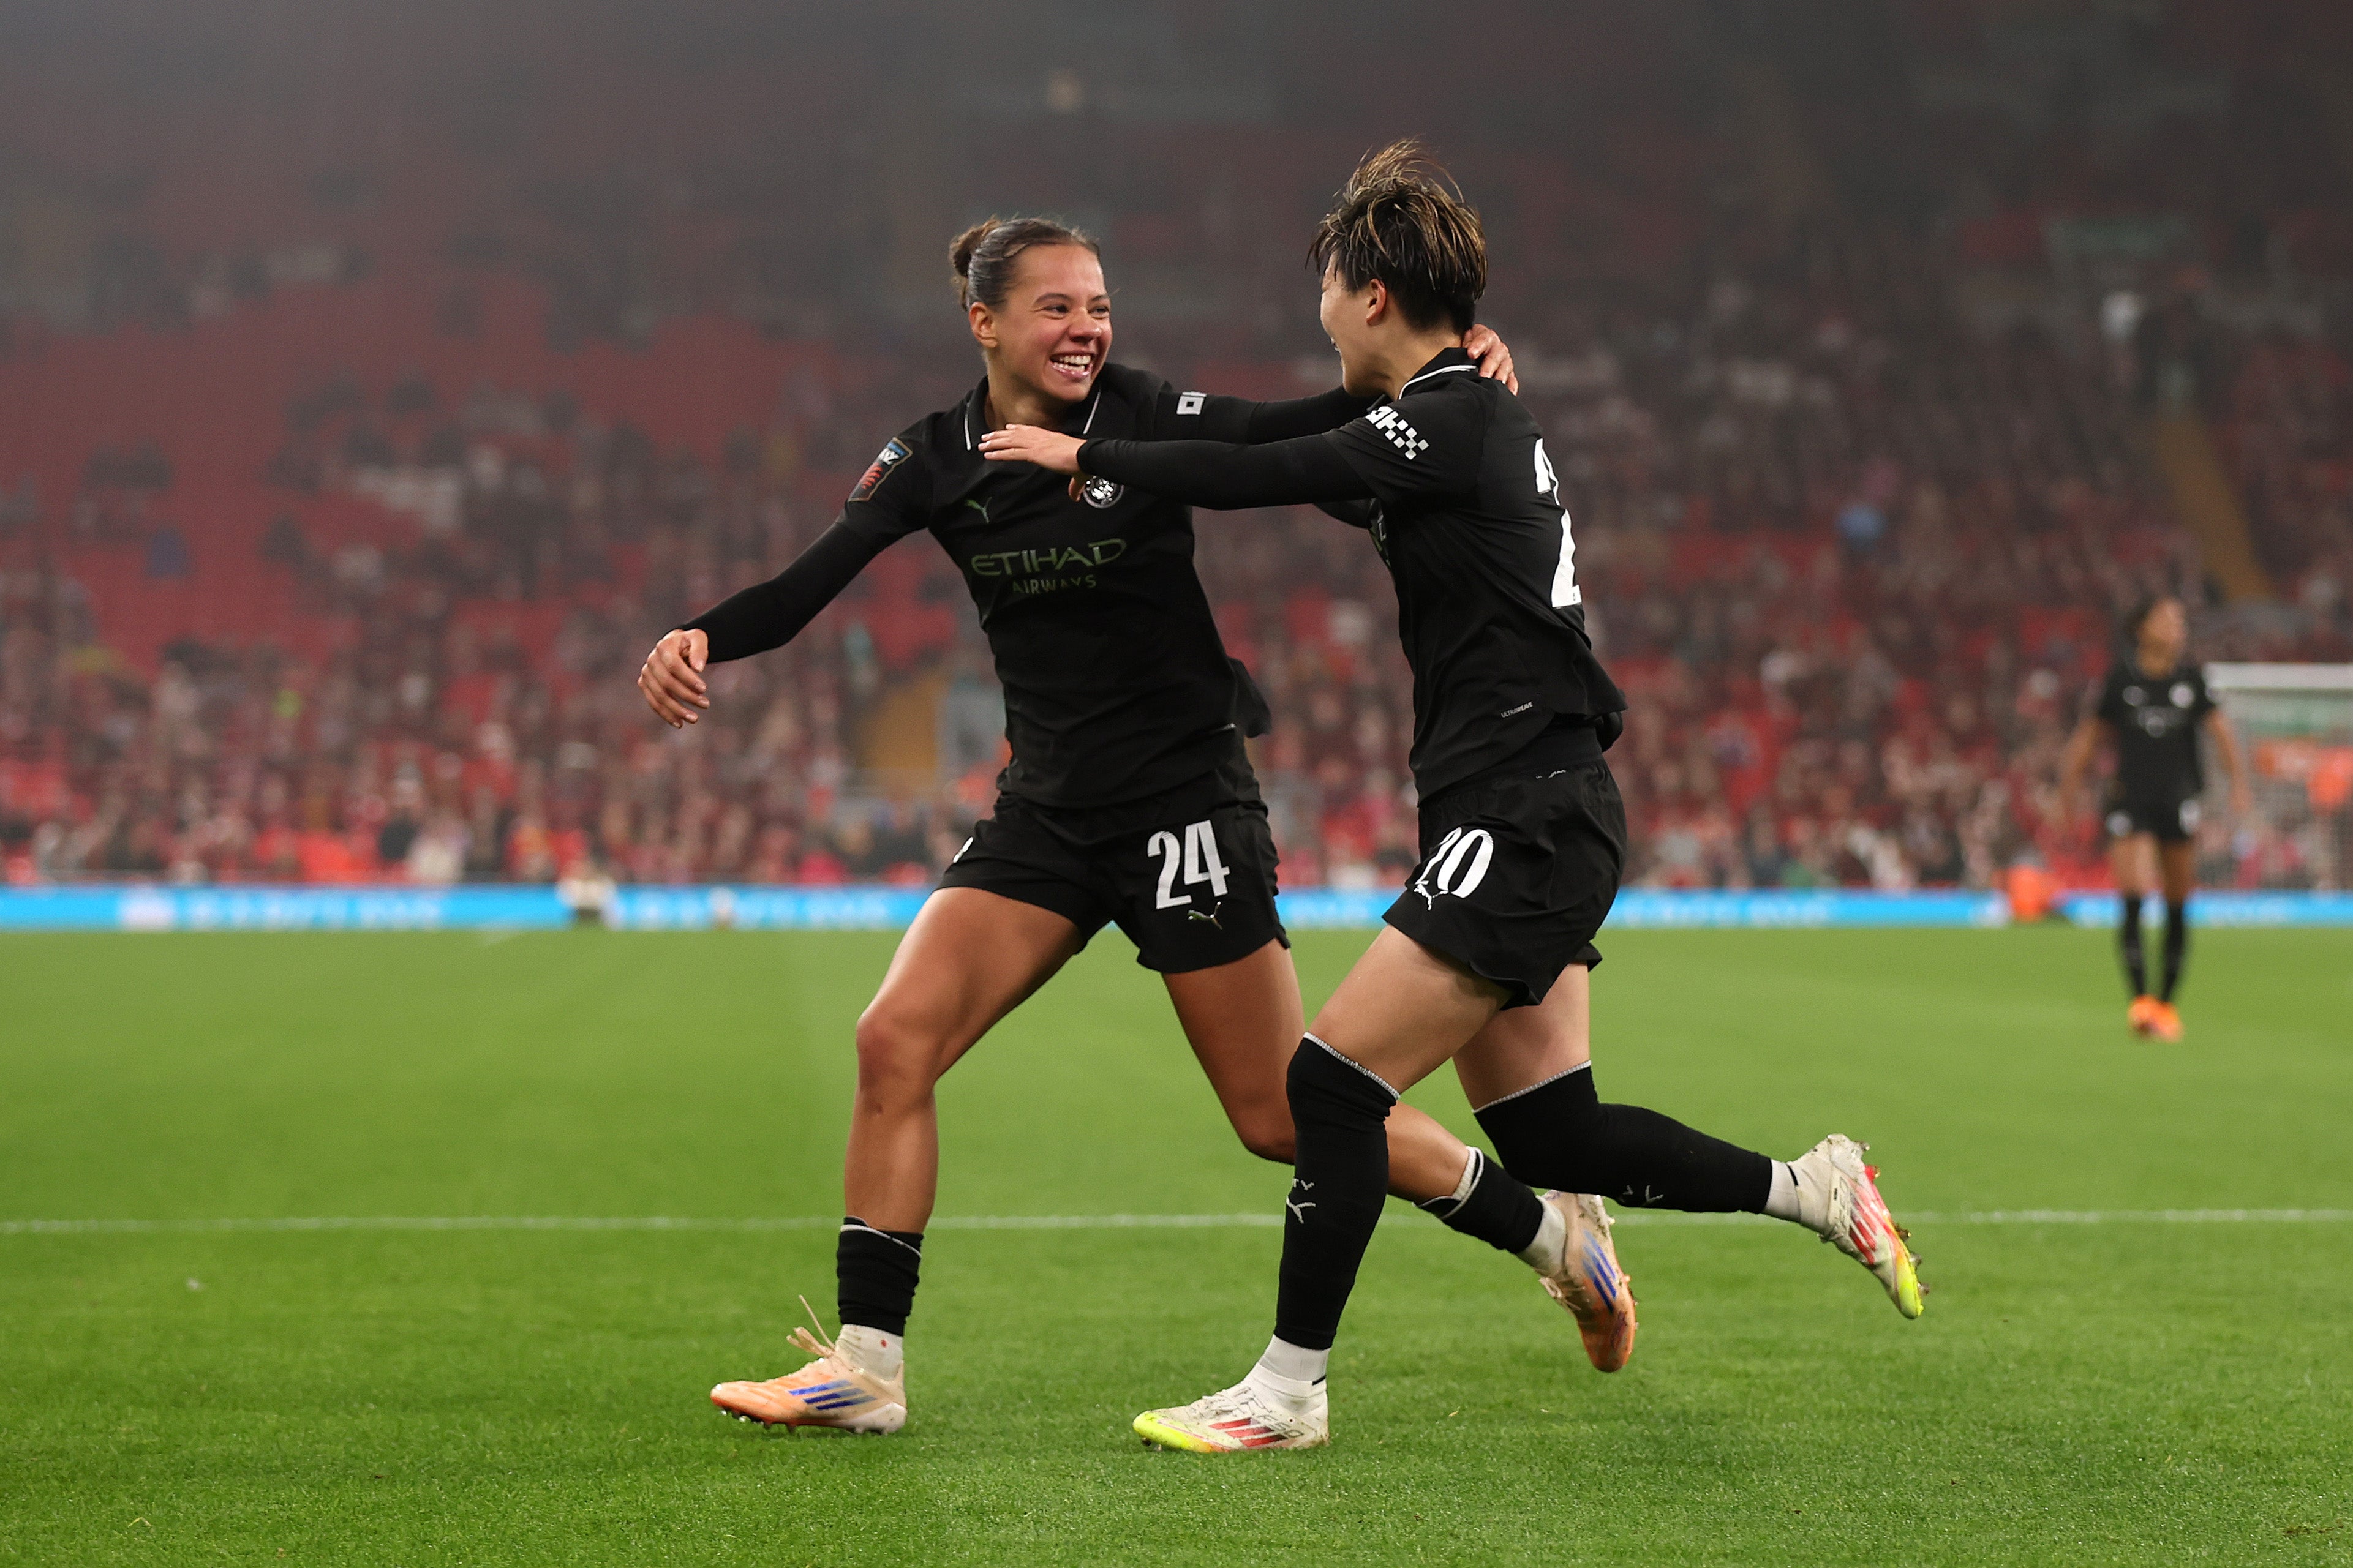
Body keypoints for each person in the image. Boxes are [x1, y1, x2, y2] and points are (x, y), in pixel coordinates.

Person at [984, 143, 1924, 1455]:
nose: (1317, 306)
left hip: (1527, 808)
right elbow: (1264, 434)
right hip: (1527, 802)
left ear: (1369, 294)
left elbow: (1255, 472)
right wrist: (1108, 430)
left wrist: (1084, 454)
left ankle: (1287, 1389)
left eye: (1325, 283)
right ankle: (1816, 1187)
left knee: (1328, 1082)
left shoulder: (1454, 417)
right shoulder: (1433, 422)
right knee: (1553, 1126)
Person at [637, 216, 1630, 1436]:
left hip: (1185, 807)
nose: (1086, 329)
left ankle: (1549, 1234)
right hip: (1047, 814)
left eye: (1098, 306)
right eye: (1056, 308)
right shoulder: (934, 456)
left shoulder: (1144, 412)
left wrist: (1443, 385)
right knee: (892, 1036)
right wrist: (699, 633)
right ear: (985, 322)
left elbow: (1291, 438)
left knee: (1282, 1112)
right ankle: (864, 1362)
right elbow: (807, 582)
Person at [2058, 595, 2249, 1041]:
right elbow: (2089, 736)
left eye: (2180, 620)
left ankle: (2166, 1003)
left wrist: (2237, 783)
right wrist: (2068, 788)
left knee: (2178, 901)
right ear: (2142, 628)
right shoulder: (2121, 680)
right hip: (2131, 800)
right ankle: (2140, 1000)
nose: (2177, 626)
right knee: (2134, 890)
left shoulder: (2192, 680)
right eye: (2167, 619)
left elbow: (2221, 733)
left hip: (2178, 800)